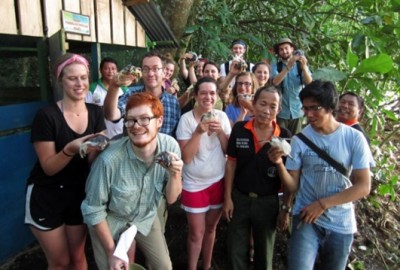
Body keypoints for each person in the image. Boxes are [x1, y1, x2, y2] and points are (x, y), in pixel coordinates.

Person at [268, 80, 373, 270]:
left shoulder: (353, 138)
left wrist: (323, 204)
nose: (308, 114)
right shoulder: (300, 140)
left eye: (314, 108)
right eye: (305, 108)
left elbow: (363, 186)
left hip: (341, 222)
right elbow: (292, 186)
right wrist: (278, 164)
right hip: (306, 217)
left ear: (330, 107)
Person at [81, 92, 183, 270]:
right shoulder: (109, 160)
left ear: (159, 121)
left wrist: (175, 175)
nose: (136, 126)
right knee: (112, 267)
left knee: (165, 267)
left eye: (144, 119)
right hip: (109, 220)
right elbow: (93, 209)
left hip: (145, 216)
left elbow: (172, 198)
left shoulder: (170, 146)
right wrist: (113, 252)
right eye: (131, 120)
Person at [24, 53, 106, 270]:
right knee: (60, 262)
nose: (80, 83)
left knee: (78, 258)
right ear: (61, 80)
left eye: (83, 77)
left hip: (78, 193)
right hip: (47, 194)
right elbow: (49, 167)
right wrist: (70, 149)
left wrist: (101, 149)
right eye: (72, 78)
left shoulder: (96, 112)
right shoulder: (47, 116)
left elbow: (94, 161)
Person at [223, 85, 292, 270]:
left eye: (272, 106)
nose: (266, 110)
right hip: (240, 199)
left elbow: (290, 180)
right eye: (262, 104)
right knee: (235, 250)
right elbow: (231, 164)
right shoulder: (239, 129)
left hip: (268, 203)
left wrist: (285, 209)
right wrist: (227, 198)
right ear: (253, 104)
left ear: (279, 110)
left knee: (265, 252)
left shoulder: (285, 137)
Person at [176, 77, 231, 270]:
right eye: (203, 93)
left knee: (211, 229)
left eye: (212, 93)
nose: (208, 97)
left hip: (217, 181)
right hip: (193, 183)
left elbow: (228, 152)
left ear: (217, 96)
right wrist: (198, 132)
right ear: (196, 96)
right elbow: (187, 158)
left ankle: (207, 266)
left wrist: (222, 133)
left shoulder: (222, 117)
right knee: (196, 233)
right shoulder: (186, 119)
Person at [103, 51, 180, 137]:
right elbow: (111, 115)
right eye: (145, 69)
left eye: (155, 68)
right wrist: (114, 86)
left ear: (163, 72)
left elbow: (177, 135)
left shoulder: (173, 103)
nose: (150, 74)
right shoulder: (132, 95)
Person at [272, 38, 312, 135]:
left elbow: (310, 84)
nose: (284, 51)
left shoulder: (300, 66)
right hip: (281, 112)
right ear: (279, 52)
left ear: (292, 49)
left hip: (298, 111)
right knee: (281, 141)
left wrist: (304, 68)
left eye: (286, 48)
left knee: (297, 140)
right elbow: (275, 82)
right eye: (281, 49)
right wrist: (288, 67)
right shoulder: (276, 66)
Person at [86, 57, 127, 138]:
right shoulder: (92, 88)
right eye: (106, 68)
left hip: (121, 133)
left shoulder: (124, 89)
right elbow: (86, 110)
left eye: (113, 68)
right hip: (100, 134)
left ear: (117, 71)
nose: (110, 71)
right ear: (100, 70)